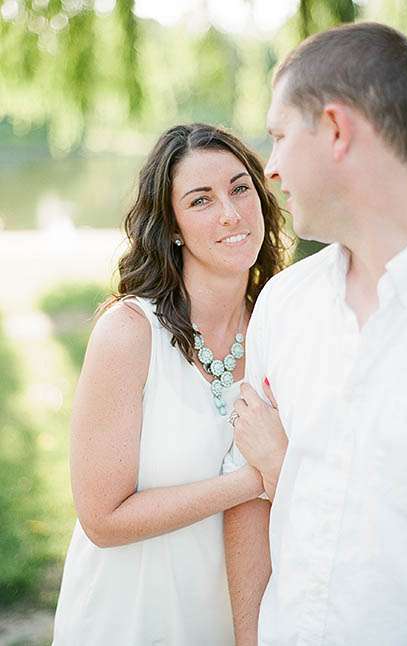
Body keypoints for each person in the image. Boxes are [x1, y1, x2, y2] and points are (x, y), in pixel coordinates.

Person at [221, 22, 407, 645]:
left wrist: (288, 469)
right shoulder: (283, 304)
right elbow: (248, 503)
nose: (270, 170)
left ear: (334, 129)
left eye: (279, 137)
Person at [52, 124, 288, 645]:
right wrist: (259, 477)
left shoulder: (281, 329)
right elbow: (103, 519)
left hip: (237, 621)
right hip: (131, 619)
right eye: (201, 200)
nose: (230, 213)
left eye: (239, 187)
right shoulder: (131, 332)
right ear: (173, 225)